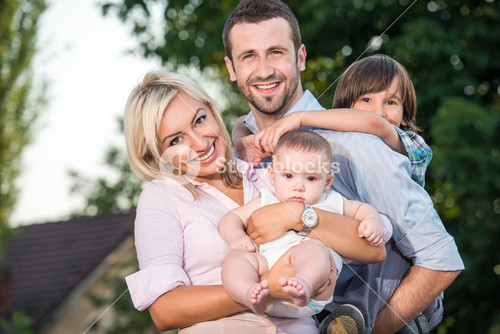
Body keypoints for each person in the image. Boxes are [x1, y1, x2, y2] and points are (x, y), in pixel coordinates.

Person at [222, 0, 464, 333]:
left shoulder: (355, 146)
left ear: (300, 57)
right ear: (231, 68)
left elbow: (441, 262)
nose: (264, 70)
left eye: (276, 52)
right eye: (249, 55)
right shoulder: (240, 152)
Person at [123, 71, 385, 333]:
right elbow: (165, 311)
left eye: (200, 120)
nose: (200, 143)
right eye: (176, 140)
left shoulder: (271, 176)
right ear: (157, 154)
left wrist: (298, 214)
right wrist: (267, 288)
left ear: (213, 111)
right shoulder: (162, 197)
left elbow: (374, 249)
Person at [219, 130, 391, 318]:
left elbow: (361, 209)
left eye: (310, 178)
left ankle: (303, 284)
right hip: (265, 282)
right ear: (273, 175)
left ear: (327, 182)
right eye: (288, 176)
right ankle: (248, 292)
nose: (298, 186)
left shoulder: (331, 200)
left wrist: (371, 220)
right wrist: (237, 238)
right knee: (236, 259)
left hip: (311, 293)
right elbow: (231, 218)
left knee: (314, 249)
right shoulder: (266, 199)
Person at [238, 54, 432, 187]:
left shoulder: (409, 143)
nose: (379, 111)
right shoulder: (338, 141)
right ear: (345, 108)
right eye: (366, 99)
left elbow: (375, 124)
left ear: (405, 113)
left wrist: (299, 117)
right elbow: (241, 122)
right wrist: (241, 139)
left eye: (391, 102)